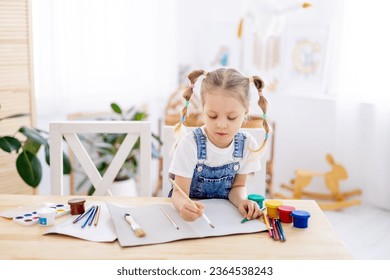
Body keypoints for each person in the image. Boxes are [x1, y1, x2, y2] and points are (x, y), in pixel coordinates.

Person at [168, 68, 270, 222]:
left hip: (226, 221)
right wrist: (183, 206)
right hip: (192, 222)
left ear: (245, 113)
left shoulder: (247, 145)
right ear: (203, 111)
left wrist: (242, 200)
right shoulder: (190, 145)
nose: (221, 125)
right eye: (212, 116)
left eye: (231, 117)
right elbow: (178, 193)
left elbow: (237, 187)